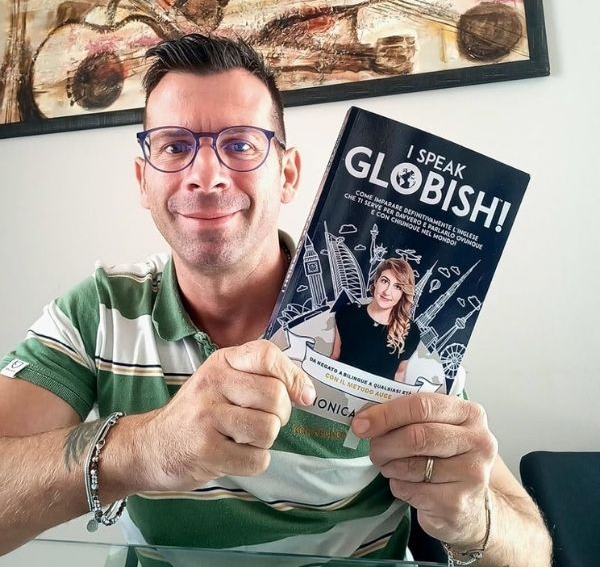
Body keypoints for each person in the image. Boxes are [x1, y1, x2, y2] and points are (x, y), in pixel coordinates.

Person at [0, 33, 552, 564]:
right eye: (174, 146)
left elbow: (532, 553)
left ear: (288, 175)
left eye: (240, 145)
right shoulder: (98, 309)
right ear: (143, 181)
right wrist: (144, 449)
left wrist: (474, 519)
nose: (206, 176)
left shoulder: (398, 339)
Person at [332, 258, 420, 383]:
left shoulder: (411, 332)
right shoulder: (348, 313)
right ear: (376, 281)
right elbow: (335, 356)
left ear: (403, 293)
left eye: (397, 287)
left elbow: (399, 374)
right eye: (385, 281)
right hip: (341, 389)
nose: (387, 292)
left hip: (381, 396)